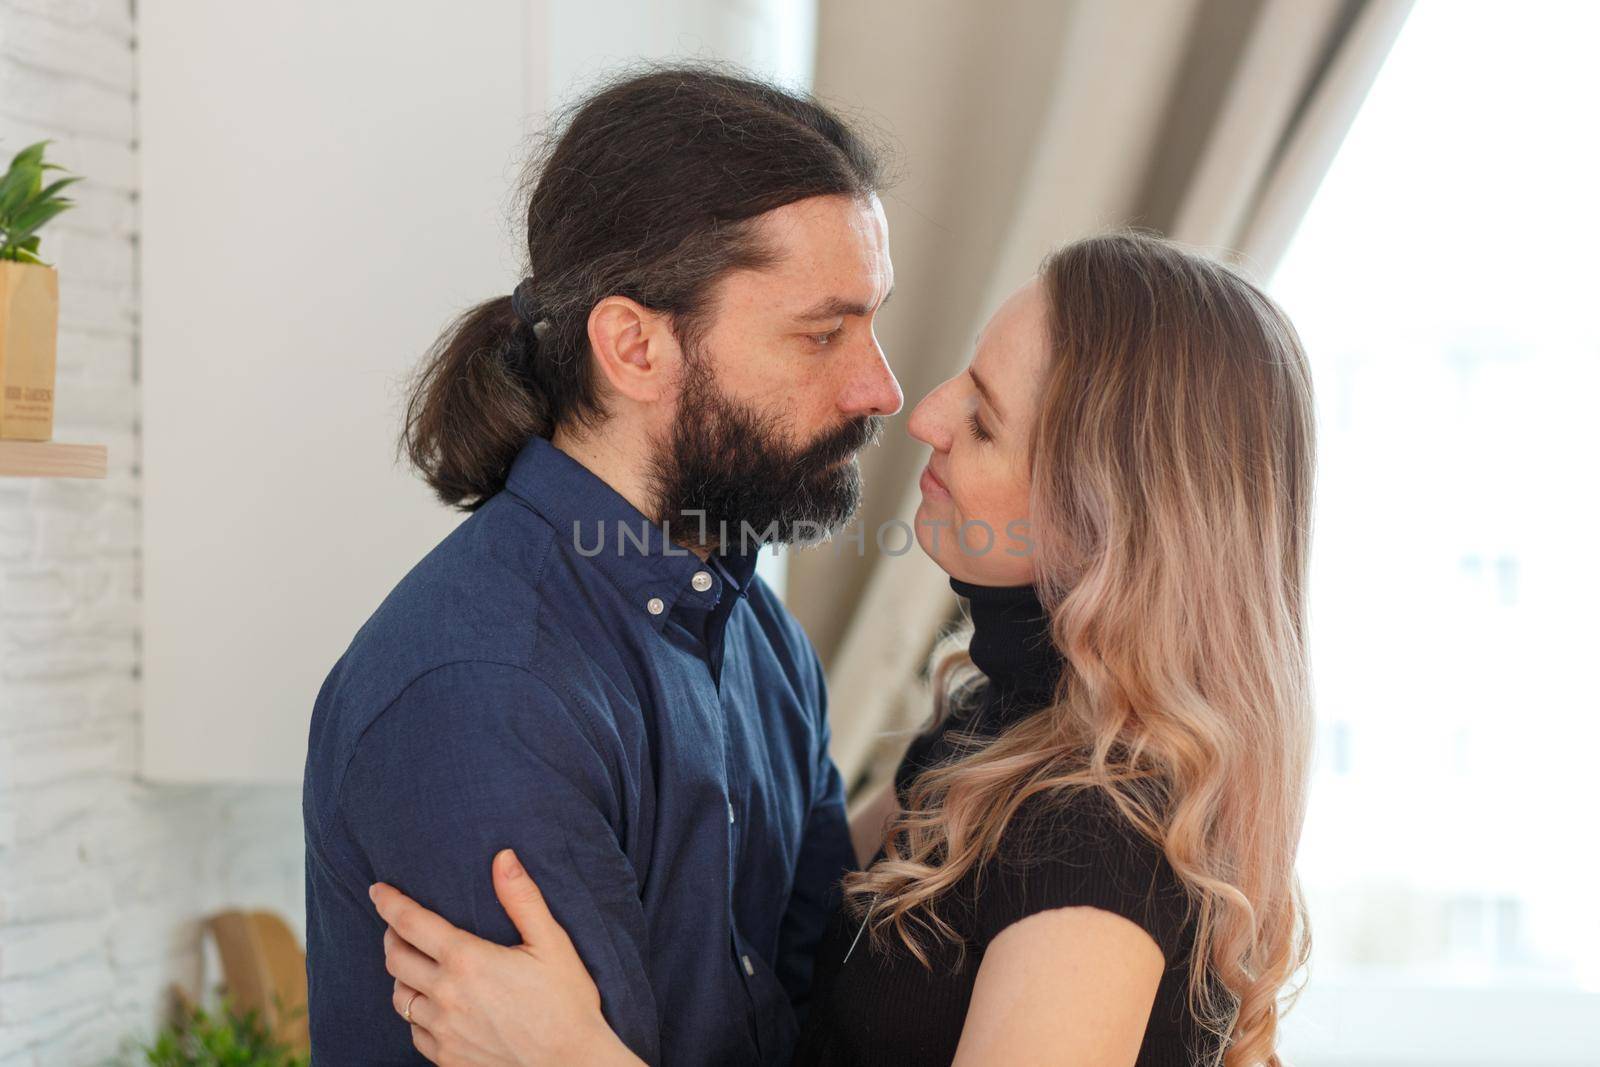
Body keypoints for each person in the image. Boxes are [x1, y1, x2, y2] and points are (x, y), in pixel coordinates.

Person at [369, 231, 1317, 1066]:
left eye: (983, 419)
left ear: (1101, 522)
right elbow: (801, 890)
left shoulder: (1095, 844)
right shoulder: (997, 727)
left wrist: (569, 1057)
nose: (925, 415)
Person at [301, 64, 902, 1066]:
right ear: (633, 347)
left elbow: (827, 1027)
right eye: (822, 333)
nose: (879, 387)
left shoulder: (756, 632)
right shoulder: (484, 691)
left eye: (872, 322)